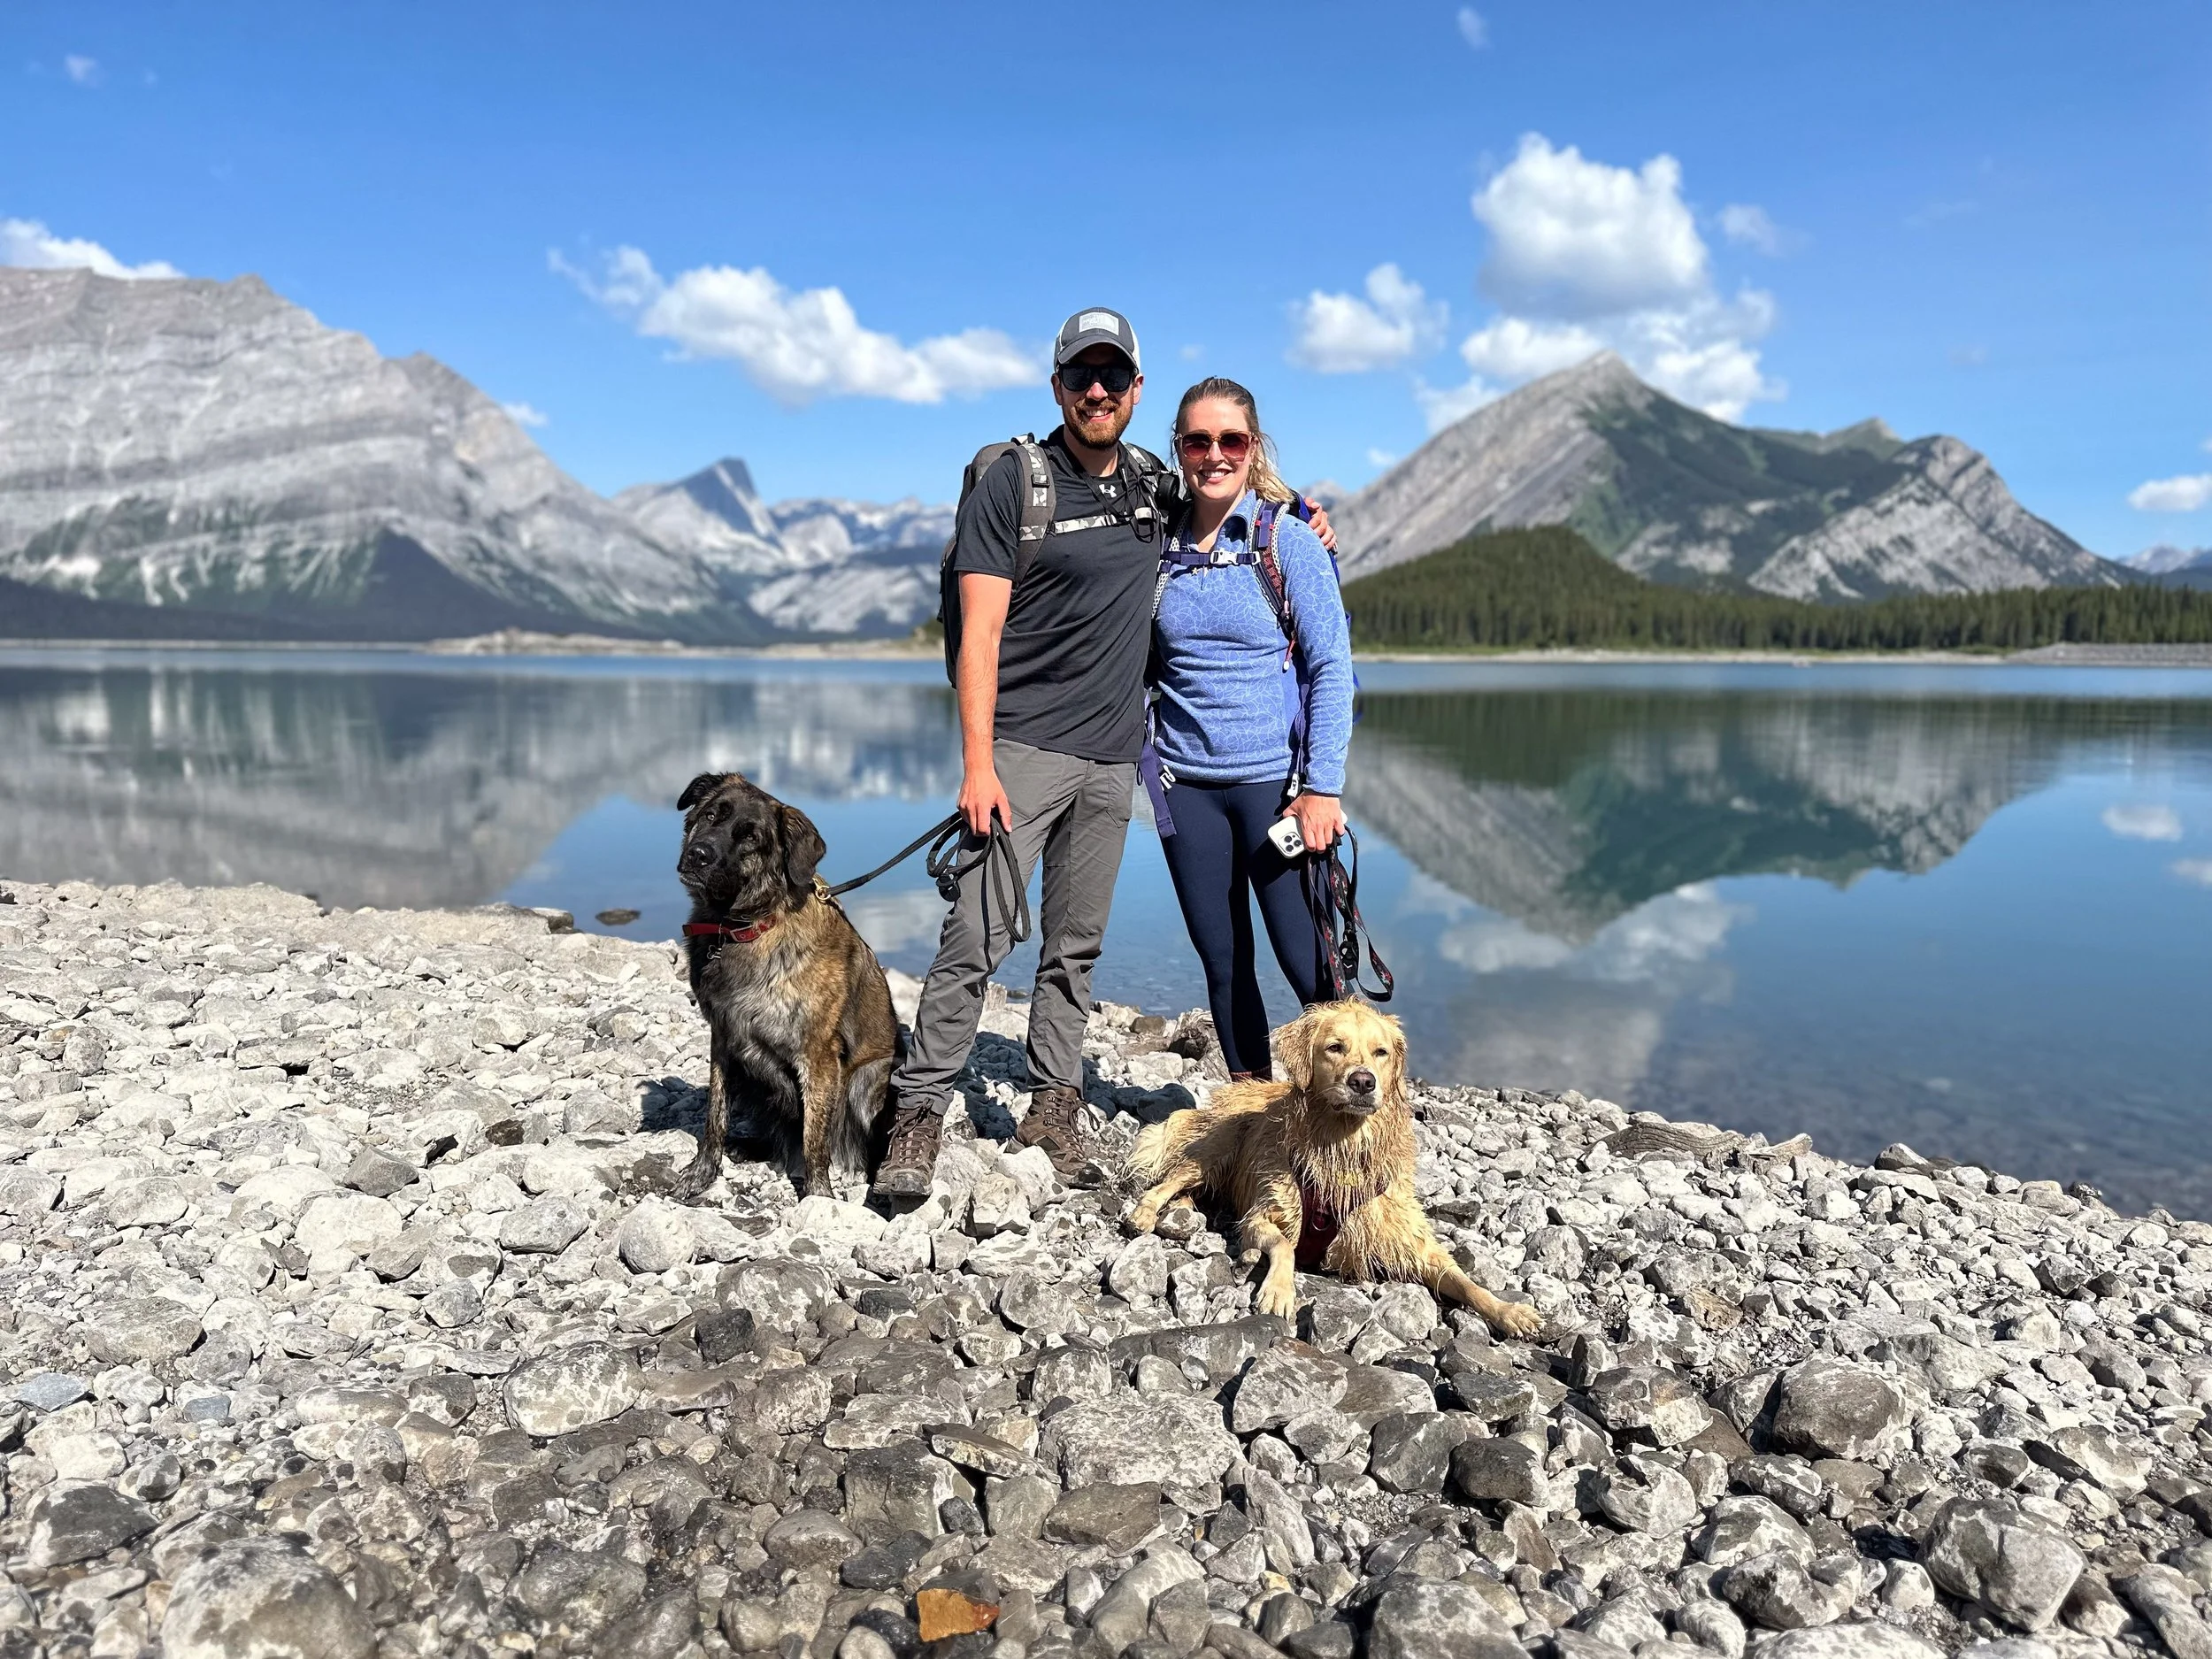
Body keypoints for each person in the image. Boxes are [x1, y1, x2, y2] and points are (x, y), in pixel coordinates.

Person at [872, 312, 1331, 1199]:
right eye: (1081, 376)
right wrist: (976, 764)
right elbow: (978, 634)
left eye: (1112, 378)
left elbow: (1227, 491)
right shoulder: (1015, 482)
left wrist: (1305, 512)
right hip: (1021, 751)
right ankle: (918, 1113)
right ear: (1056, 387)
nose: (1097, 391)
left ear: (1134, 392)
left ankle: (1054, 1104)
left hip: (1114, 759)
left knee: (1073, 947)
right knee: (975, 935)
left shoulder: (1150, 490)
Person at [1148, 378, 1354, 1079]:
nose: (1214, 455)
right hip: (1184, 788)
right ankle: (1252, 1116)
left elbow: (1330, 665)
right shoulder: (1156, 543)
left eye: (1229, 440)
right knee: (1225, 964)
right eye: (1198, 441)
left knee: (1312, 968)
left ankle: (1362, 1125)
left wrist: (1323, 787)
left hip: (1277, 790)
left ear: (1252, 446)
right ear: (1179, 449)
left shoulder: (1287, 539)